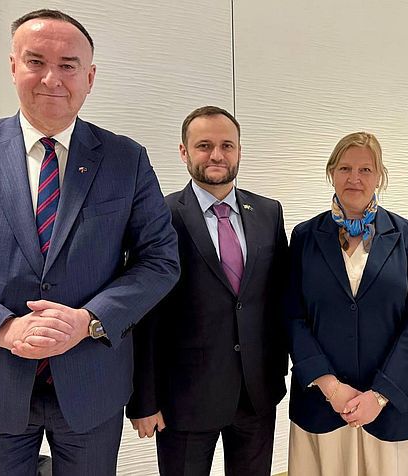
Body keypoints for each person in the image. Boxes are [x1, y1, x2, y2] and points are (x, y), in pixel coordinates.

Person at [0, 8, 180, 475]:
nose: (51, 79)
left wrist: (89, 321)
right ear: (13, 66)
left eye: (68, 65)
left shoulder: (126, 159)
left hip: (92, 386)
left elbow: (160, 260)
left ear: (89, 77)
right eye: (36, 61)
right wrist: (5, 329)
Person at [127, 106, 288, 476]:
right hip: (183, 399)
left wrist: (280, 370)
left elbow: (279, 298)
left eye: (226, 145)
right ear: (184, 152)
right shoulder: (159, 216)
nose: (217, 155)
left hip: (256, 394)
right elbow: (143, 316)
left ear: (239, 151)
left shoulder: (268, 212)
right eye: (204, 146)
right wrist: (143, 400)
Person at [286, 132, 408, 476]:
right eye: (345, 168)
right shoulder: (305, 236)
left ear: (379, 176)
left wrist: (379, 395)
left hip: (390, 405)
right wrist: (331, 387)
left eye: (365, 169)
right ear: (331, 173)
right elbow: (293, 316)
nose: (355, 178)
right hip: (322, 404)